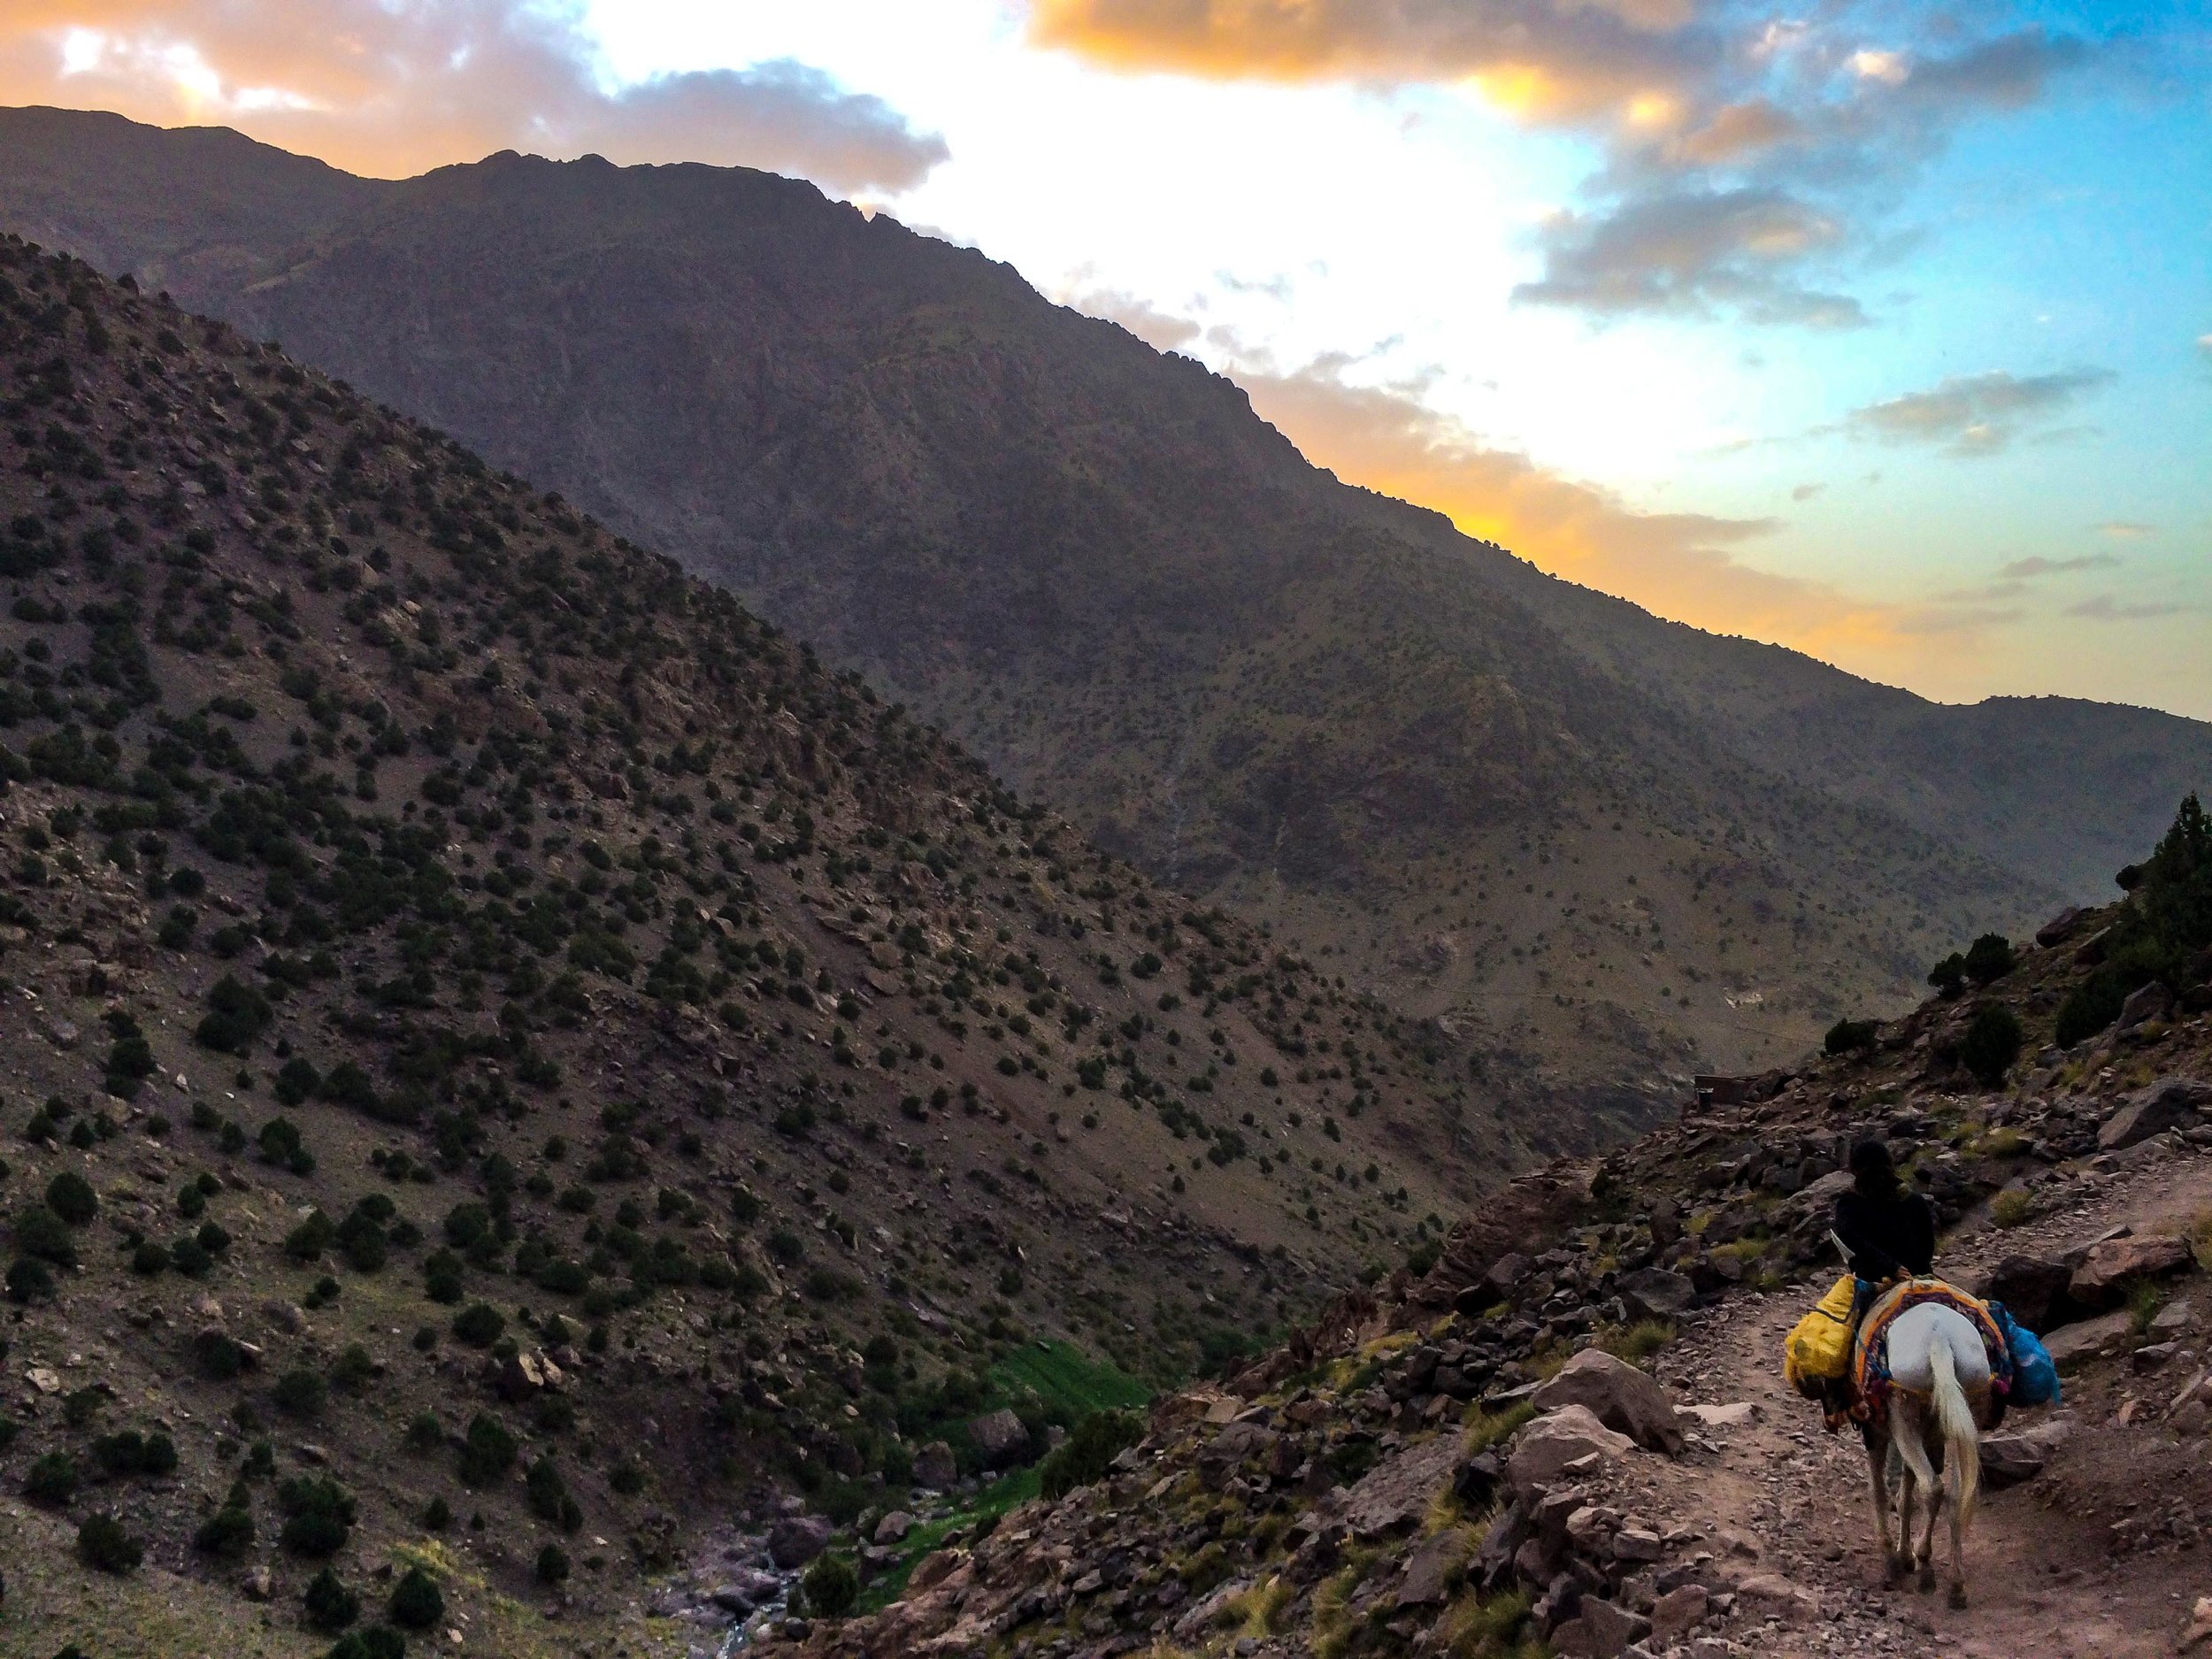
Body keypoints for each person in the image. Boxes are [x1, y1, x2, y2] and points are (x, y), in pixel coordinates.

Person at [1832, 1138, 1935, 1291]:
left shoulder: (1849, 1204)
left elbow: (1850, 1239)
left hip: (1875, 1280)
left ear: (1855, 1170)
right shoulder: (1914, 1199)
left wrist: (1892, 1267)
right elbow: (1928, 1248)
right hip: (1922, 1278)